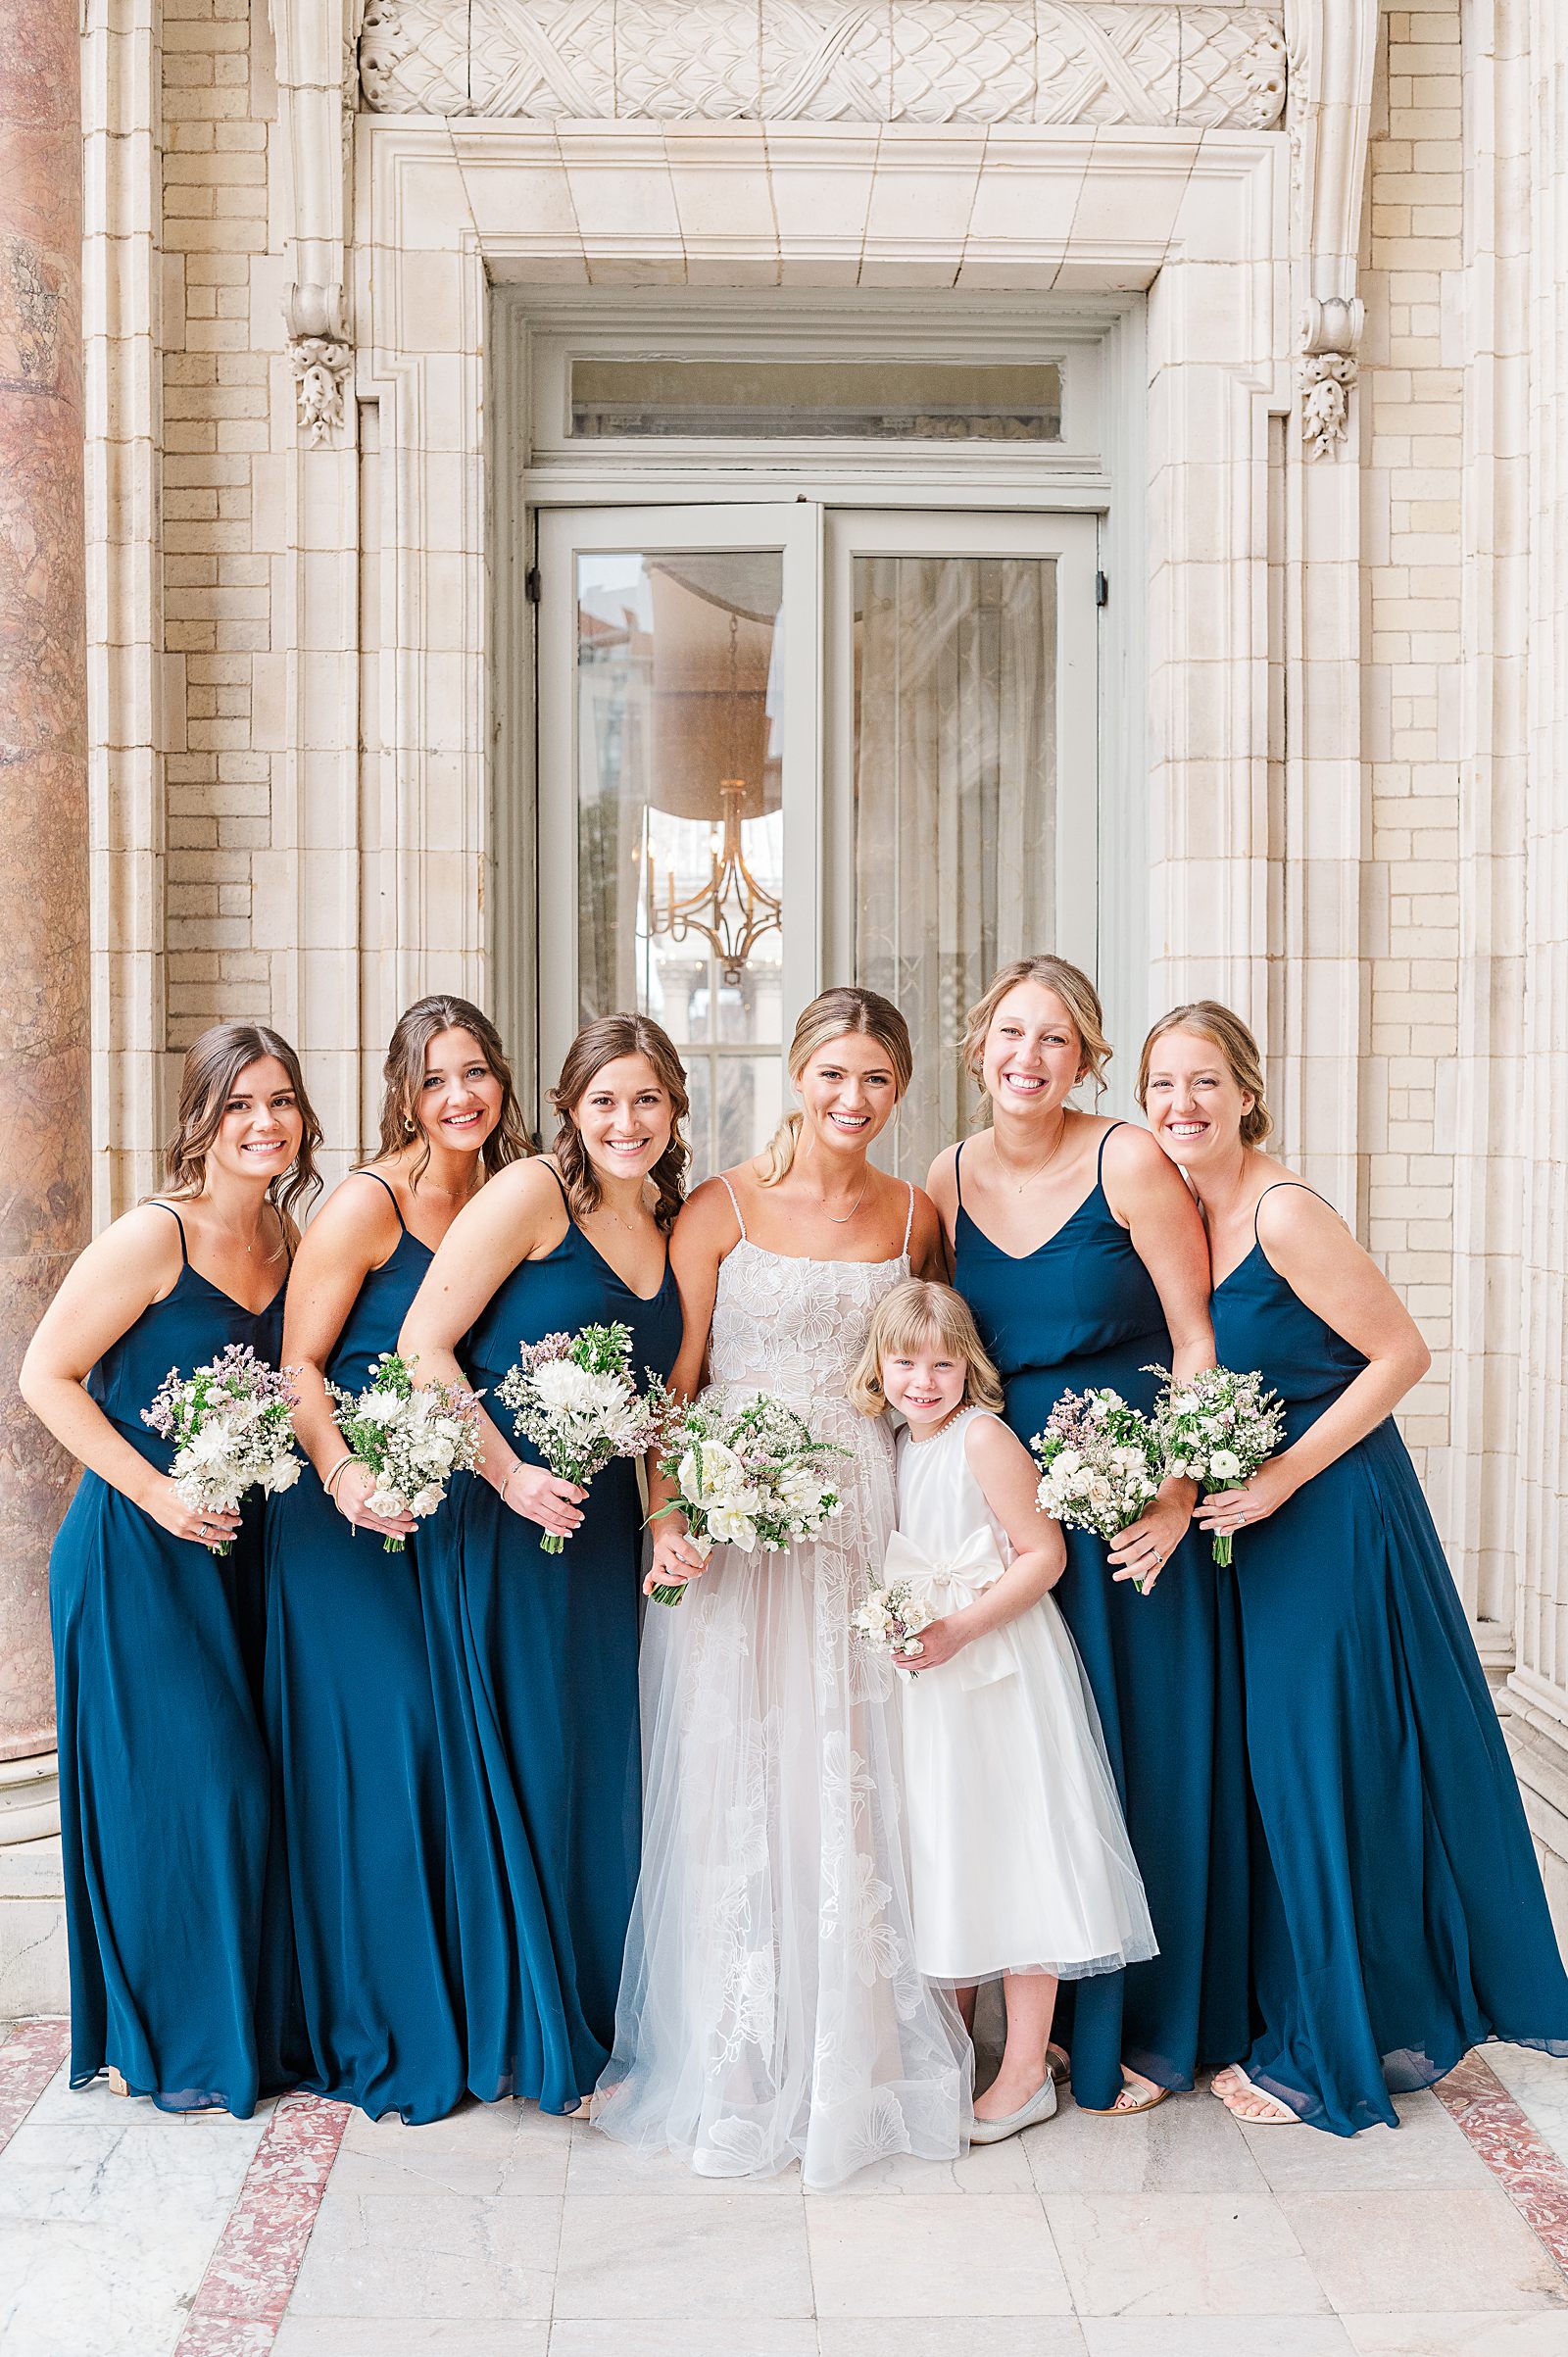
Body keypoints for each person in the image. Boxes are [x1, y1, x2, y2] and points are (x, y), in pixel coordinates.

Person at [1141, 1001, 1568, 2133]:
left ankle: (1320, 2051)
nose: (1181, 1105)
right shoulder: (1190, 1209)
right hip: (1254, 1527)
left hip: (1330, 1513)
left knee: (1318, 1768)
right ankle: (1305, 2005)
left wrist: (1280, 1474)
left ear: (1245, 1090)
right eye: (1160, 1087)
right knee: (1280, 1772)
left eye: (1203, 1081)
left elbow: (1399, 1352)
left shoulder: (1280, 1211)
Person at [596, 987, 970, 2189]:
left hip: (860, 1511)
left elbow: (924, 1372)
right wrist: (670, 1513)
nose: (851, 1100)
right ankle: (738, 2057)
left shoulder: (915, 1214)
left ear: (898, 1088)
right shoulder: (719, 1206)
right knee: (736, 1767)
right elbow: (674, 1381)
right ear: (795, 1075)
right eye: (831, 1075)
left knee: (855, 1773)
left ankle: (851, 2051)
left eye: (875, 1080)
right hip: (733, 1515)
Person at [933, 956, 1250, 2115]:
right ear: (979, 1046)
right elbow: (936, 1353)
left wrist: (1172, 1493)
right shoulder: (946, 1176)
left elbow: (1197, 1334)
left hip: (1128, 1515)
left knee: (1135, 1757)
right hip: (1011, 1515)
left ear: (1086, 1059)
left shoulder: (1128, 1157)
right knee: (1029, 1771)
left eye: (1055, 1039)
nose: (1029, 1057)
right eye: (1011, 1033)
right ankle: (1041, 2024)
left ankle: (1143, 2027)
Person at [21, 1022, 318, 2114]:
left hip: (239, 1556)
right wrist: (155, 1492)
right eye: (239, 1102)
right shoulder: (154, 1236)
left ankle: (249, 2023)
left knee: (249, 1789)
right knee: (195, 1790)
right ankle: (182, 2040)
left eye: (280, 1100)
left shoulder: (290, 1238)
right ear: (201, 1116)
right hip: (137, 1551)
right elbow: (44, 1374)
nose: (263, 1122)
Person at [400, 1012, 686, 2117]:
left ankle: (602, 2014)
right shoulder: (529, 1192)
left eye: (647, 1098)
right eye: (604, 1099)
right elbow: (425, 1346)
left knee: (599, 1763)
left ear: (673, 1111)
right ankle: (535, 2033)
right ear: (569, 1109)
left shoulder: (664, 1220)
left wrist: (663, 1516)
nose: (627, 1120)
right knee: (528, 1761)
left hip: (610, 1531)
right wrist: (510, 1471)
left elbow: (662, 1410)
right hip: (514, 1519)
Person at [264, 997, 528, 2122]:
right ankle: (390, 2020)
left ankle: (477, 2014)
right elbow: (301, 1363)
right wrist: (342, 1477)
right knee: (388, 1753)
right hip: (348, 1521)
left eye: (475, 1072)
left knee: (459, 1757)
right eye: (435, 1080)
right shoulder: (369, 1202)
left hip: (458, 1517)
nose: (459, 1095)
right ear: (402, 1095)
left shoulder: (512, 1190)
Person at [852, 1278, 1156, 2143]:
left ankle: (1025, 2071)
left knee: (1018, 1854)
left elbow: (1045, 1553)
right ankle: (953, 2052)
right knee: (947, 1856)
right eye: (905, 1362)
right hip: (933, 1676)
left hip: (999, 1667)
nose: (923, 1380)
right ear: (878, 1367)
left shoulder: (979, 1437)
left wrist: (960, 1626)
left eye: (943, 1364)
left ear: (968, 1368)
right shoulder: (894, 1445)